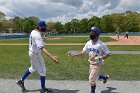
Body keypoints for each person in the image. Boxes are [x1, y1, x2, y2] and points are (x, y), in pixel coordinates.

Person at [16, 20, 59, 93]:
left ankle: (21, 81)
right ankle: (43, 89)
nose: (44, 28)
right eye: (43, 27)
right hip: (36, 54)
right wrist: (52, 57)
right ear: (39, 26)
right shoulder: (37, 35)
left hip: (32, 52)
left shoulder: (33, 31)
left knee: (32, 68)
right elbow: (42, 49)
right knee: (43, 71)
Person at [69, 27, 111, 93]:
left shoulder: (101, 44)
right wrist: (75, 54)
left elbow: (108, 54)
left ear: (97, 34)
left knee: (91, 79)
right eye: (90, 32)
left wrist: (99, 57)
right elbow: (83, 52)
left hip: (98, 64)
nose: (90, 34)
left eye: (92, 32)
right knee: (95, 76)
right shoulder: (88, 43)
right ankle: (104, 77)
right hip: (91, 63)